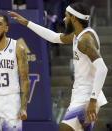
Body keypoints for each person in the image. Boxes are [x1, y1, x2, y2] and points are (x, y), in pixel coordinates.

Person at [8, 2, 108, 131]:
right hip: (83, 94)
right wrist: (28, 23)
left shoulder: (85, 40)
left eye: (66, 16)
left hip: (87, 96)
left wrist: (93, 101)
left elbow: (102, 68)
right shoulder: (80, 35)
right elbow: (54, 37)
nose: (64, 19)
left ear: (74, 19)